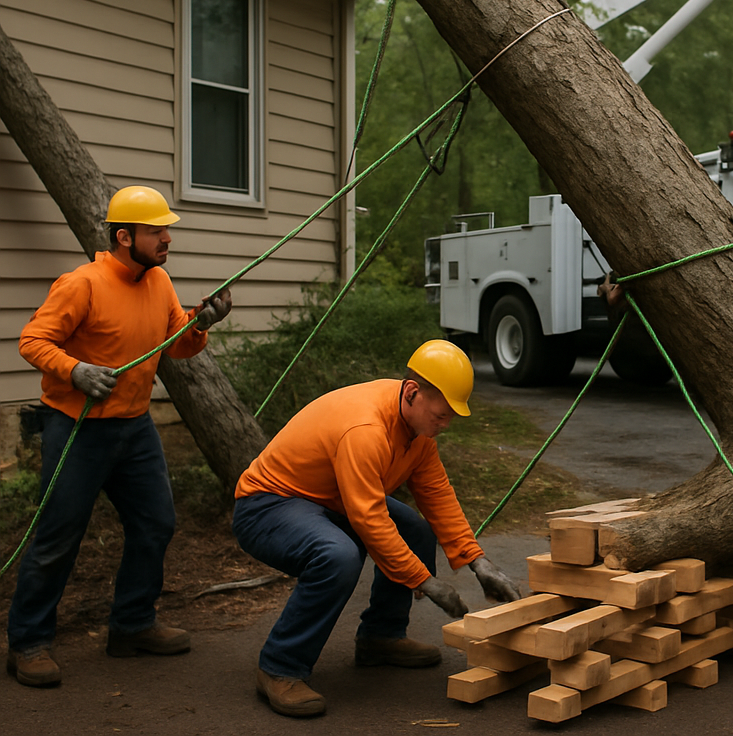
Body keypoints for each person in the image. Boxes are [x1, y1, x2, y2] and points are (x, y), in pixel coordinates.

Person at [7, 185, 232, 688]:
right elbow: (32, 340)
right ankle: (27, 642)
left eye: (167, 230)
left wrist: (202, 324)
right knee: (57, 538)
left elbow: (177, 347)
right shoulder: (81, 284)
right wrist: (75, 370)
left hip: (134, 429)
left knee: (156, 524)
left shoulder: (158, 282)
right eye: (157, 231)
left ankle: (132, 625)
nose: (167, 239)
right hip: (77, 429)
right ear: (124, 236)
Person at [232, 339, 521, 718]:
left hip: (329, 499)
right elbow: (368, 518)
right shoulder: (366, 429)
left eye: (451, 416)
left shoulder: (416, 429)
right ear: (413, 392)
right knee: (337, 556)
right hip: (268, 505)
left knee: (416, 530)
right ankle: (279, 667)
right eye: (440, 416)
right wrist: (424, 581)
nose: (445, 424)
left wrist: (478, 561)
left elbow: (437, 495)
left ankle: (380, 638)